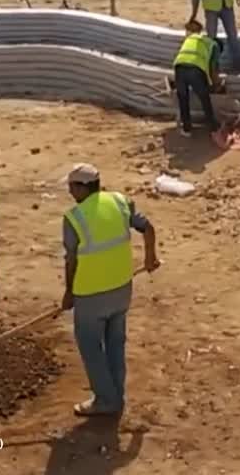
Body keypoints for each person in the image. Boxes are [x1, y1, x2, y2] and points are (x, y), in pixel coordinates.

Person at [61, 163, 159, 417]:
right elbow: (148, 228)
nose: (70, 191)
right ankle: (117, 395)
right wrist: (150, 258)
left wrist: (69, 293)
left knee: (91, 347)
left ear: (82, 188)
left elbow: (71, 261)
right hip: (121, 289)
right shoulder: (120, 201)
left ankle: (106, 400)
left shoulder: (74, 218)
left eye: (72, 186)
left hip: (91, 295)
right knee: (115, 344)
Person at [173, 19, 223, 138]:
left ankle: (187, 130)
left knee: (183, 99)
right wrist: (216, 85)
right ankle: (213, 127)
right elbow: (212, 70)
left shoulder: (193, 38)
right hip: (194, 70)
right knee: (204, 98)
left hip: (179, 67)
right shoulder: (214, 46)